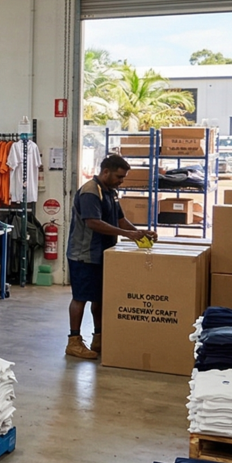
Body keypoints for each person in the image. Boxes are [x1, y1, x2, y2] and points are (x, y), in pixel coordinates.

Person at [67, 153, 148, 361]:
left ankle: (99, 337)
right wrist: (129, 235)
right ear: (105, 172)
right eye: (119, 177)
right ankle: (74, 341)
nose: (122, 181)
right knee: (80, 297)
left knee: (100, 297)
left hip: (104, 253)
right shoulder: (90, 192)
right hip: (84, 254)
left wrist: (139, 233)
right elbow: (93, 222)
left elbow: (120, 220)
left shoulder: (110, 192)